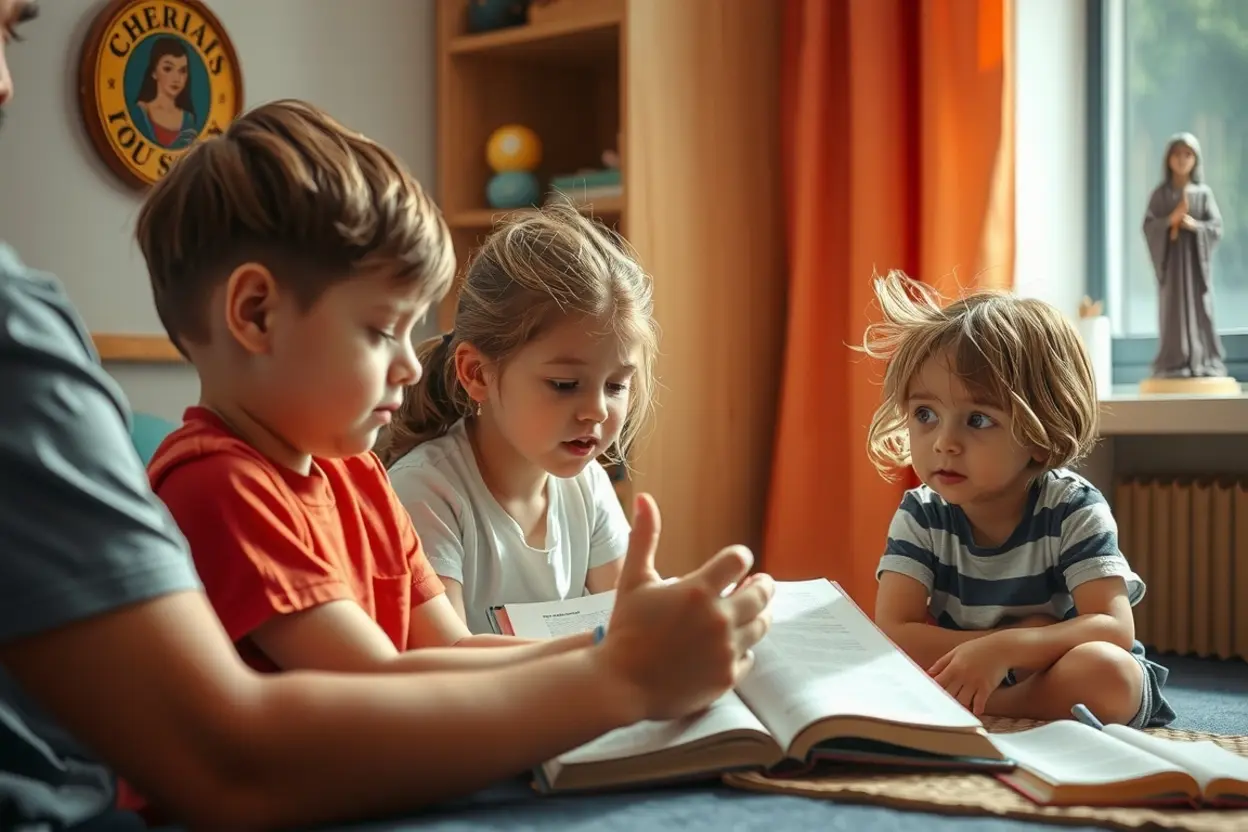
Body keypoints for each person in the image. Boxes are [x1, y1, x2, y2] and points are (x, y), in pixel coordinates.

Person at [0, 3, 775, 828]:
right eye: (380, 330)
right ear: (256, 315)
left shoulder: (354, 475)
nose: (413, 364)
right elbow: (373, 678)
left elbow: (441, 652)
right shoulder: (217, 485)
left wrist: (617, 647)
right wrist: (621, 672)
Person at [862, 270, 1175, 729]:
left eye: (978, 420)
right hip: (964, 664)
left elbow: (1113, 629)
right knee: (871, 666)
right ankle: (997, 700)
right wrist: (992, 647)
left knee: (1111, 675)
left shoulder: (1073, 508)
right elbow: (895, 631)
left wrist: (1009, 648)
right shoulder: (921, 514)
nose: (944, 442)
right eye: (925, 414)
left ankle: (992, 706)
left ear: (1041, 436)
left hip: (1059, 667)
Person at [376, 203, 655, 634]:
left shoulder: (589, 486)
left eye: (616, 386)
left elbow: (632, 621)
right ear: (476, 373)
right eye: (564, 384)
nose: (598, 410)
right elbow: (443, 658)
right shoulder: (425, 491)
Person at [1141, 131, 1227, 380]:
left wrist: (1194, 226)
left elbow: (1216, 228)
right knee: (1172, 312)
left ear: (1195, 159)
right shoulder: (1161, 195)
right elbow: (1149, 226)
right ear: (1168, 159)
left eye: (1187, 154)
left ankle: (1205, 358)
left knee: (1202, 308)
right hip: (1173, 269)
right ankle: (1173, 361)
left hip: (1196, 268)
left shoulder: (1203, 194)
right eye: (1177, 154)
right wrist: (1170, 221)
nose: (1182, 159)